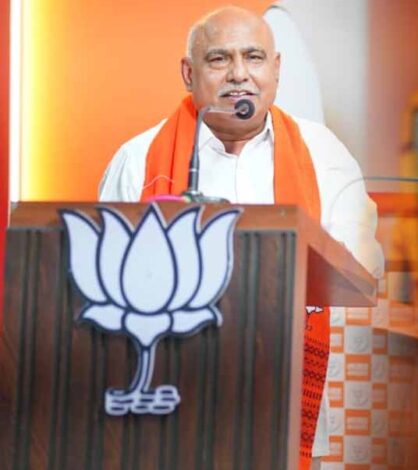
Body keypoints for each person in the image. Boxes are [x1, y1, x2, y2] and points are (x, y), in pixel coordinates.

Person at [99, 6, 384, 469]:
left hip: (292, 397)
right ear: (188, 73)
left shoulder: (324, 156)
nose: (238, 75)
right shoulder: (138, 160)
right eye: (219, 59)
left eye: (253, 57)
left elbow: (363, 267)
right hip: (168, 404)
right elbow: (106, 280)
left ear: (276, 68)